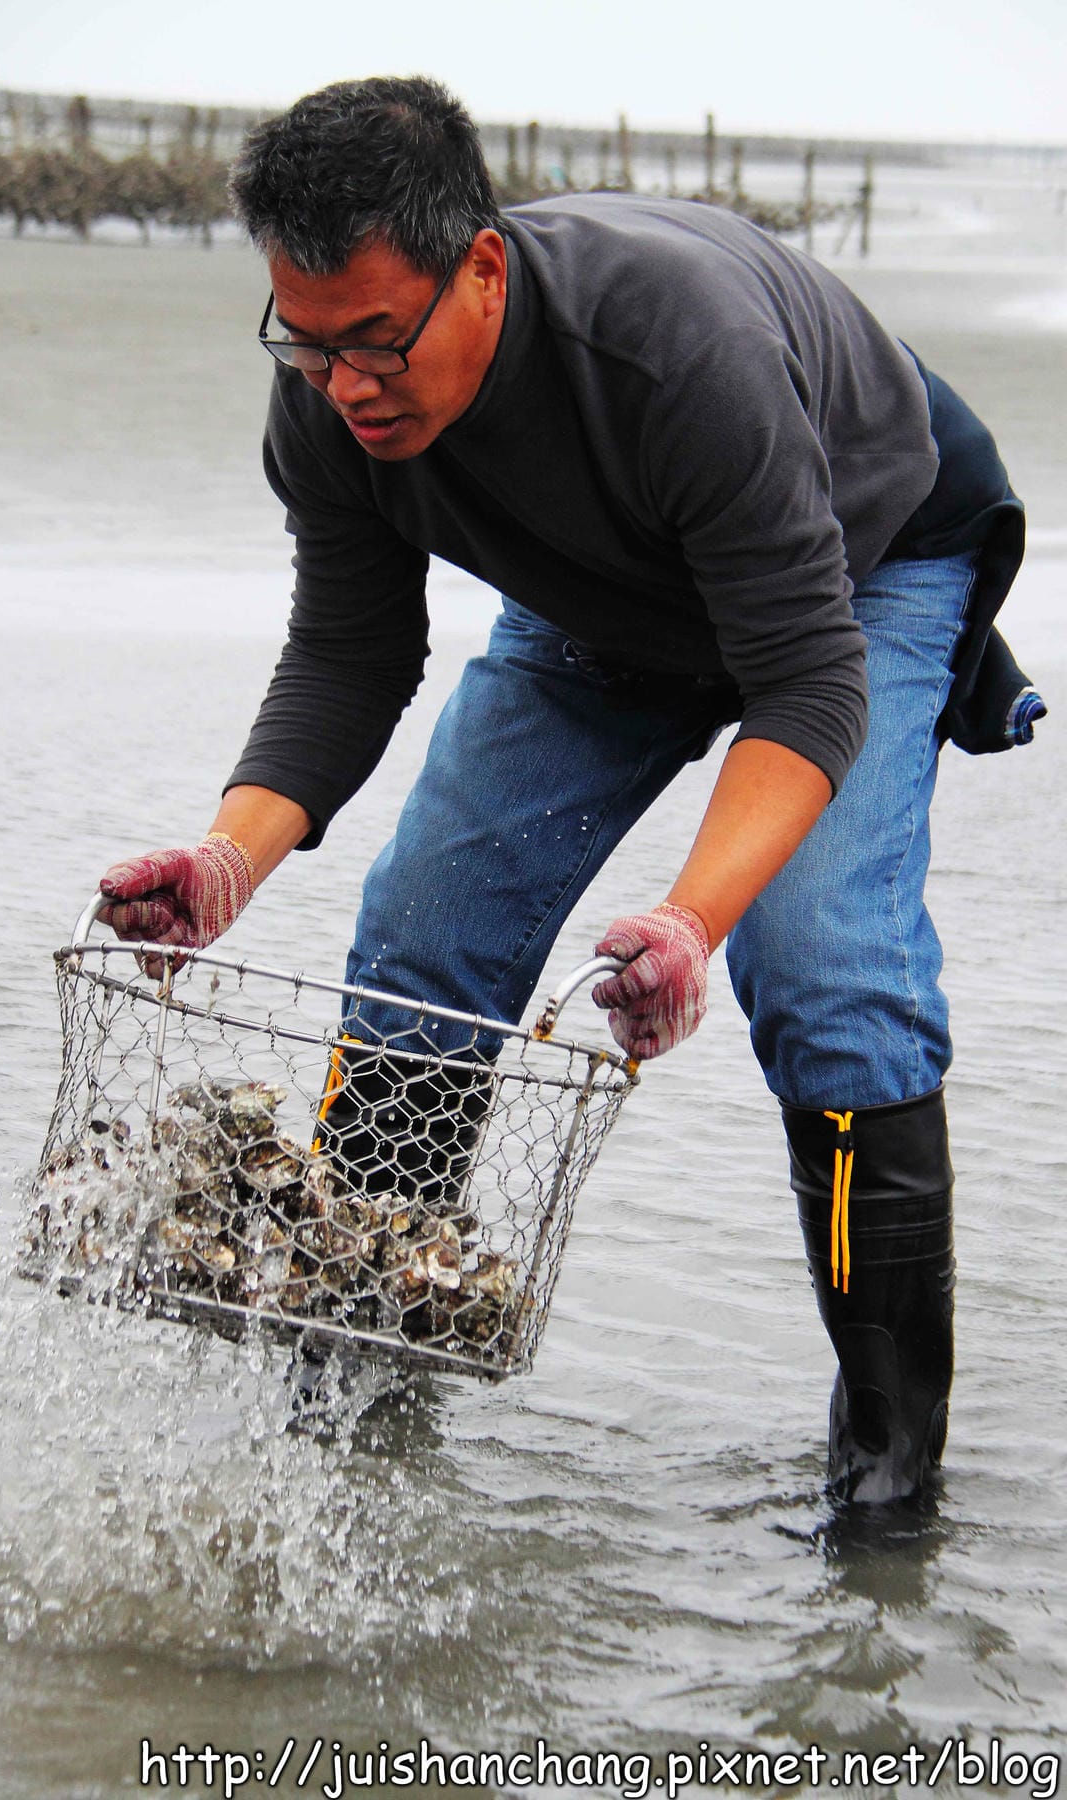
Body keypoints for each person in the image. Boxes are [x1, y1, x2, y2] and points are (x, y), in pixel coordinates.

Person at [98, 76, 1042, 1506]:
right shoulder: (330, 403)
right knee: (428, 927)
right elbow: (349, 656)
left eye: (378, 340)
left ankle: (888, 1478)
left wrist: (690, 922)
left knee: (826, 967)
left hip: (863, 559)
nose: (346, 384)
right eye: (306, 339)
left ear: (482, 270)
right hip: (609, 592)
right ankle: (359, 1403)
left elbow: (803, 686)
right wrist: (227, 858)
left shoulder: (674, 353)